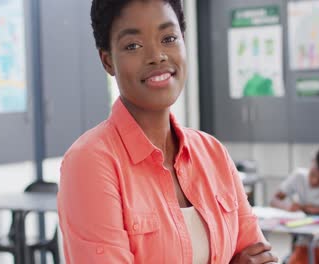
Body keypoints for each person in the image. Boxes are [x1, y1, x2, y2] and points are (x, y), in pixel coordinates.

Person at [57, 1, 278, 263]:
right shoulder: (91, 162)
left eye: (169, 38)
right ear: (107, 60)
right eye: (133, 46)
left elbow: (260, 255)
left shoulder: (213, 153)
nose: (157, 56)